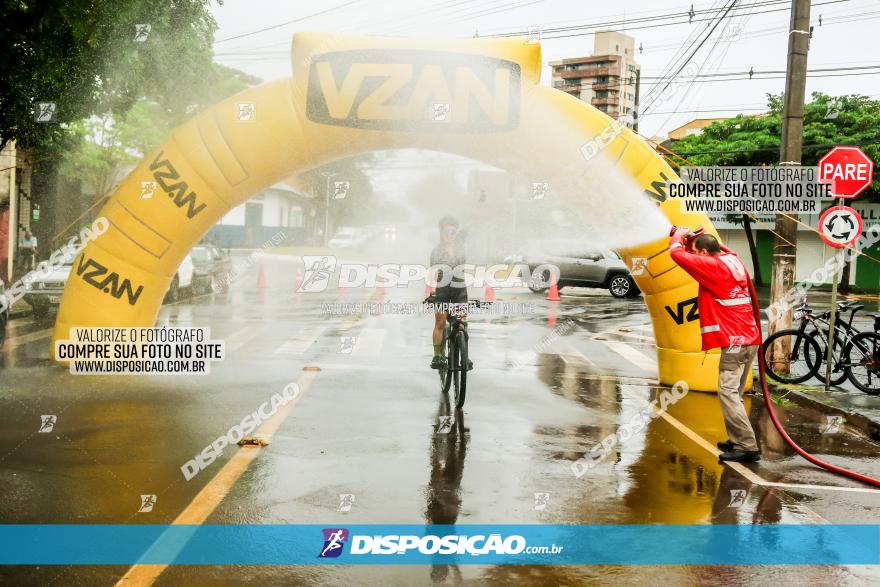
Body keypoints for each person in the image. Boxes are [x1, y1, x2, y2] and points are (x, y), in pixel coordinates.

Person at [669, 227, 762, 463]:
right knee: (736, 394)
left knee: (728, 393)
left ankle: (747, 446)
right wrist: (691, 240)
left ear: (703, 252)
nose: (695, 258)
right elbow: (709, 250)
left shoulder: (714, 267)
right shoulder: (731, 260)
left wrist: (678, 237)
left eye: (697, 253)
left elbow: (677, 255)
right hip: (748, 338)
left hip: (735, 342)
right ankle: (737, 437)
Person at [429, 216, 470, 370]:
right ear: (441, 232)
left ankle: (464, 355)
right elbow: (433, 274)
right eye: (446, 231)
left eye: (453, 231)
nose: (450, 234)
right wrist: (432, 292)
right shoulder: (436, 251)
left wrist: (481, 201)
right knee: (440, 321)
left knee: (461, 325)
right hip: (443, 292)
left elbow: (473, 221)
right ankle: (438, 355)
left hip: (460, 291)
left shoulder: (460, 245)